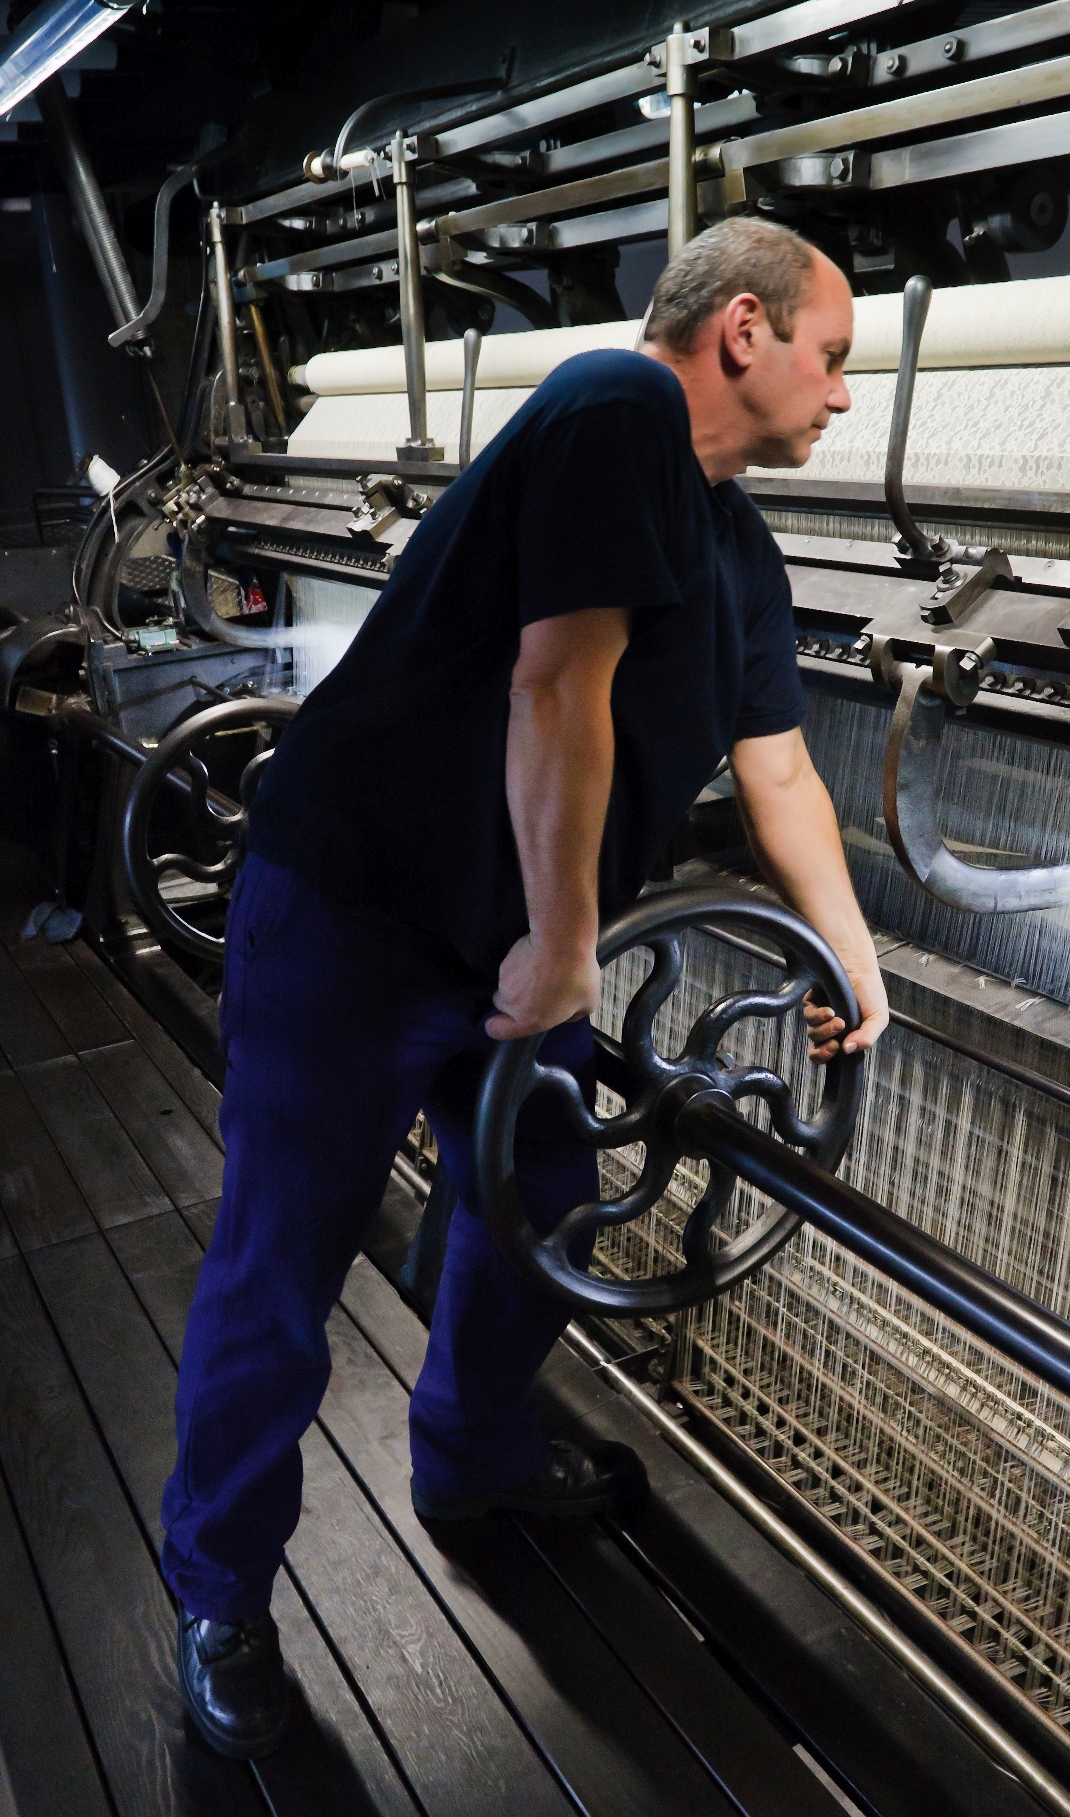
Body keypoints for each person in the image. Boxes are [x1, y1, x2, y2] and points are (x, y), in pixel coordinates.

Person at [163, 215, 890, 1760]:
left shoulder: (740, 550)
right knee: (279, 1268)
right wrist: (566, 949)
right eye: (832, 356)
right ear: (743, 330)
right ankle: (220, 1591)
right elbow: (558, 680)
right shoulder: (611, 408)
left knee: (545, 1193)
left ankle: (468, 1453)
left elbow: (779, 772)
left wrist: (853, 958)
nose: (843, 393)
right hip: (359, 918)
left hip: (515, 940)